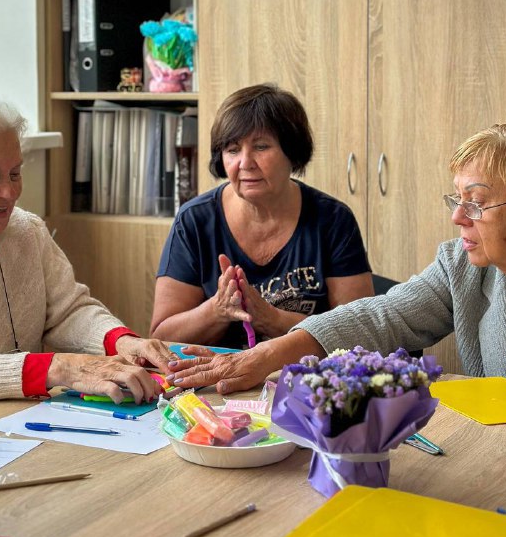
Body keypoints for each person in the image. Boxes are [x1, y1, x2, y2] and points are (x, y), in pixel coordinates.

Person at [166, 121, 506, 393]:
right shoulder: (459, 266)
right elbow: (381, 318)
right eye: (456, 200)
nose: (457, 217)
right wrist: (264, 356)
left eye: (475, 203)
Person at [0, 93, 177, 430]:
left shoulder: (26, 231)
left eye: (14, 173)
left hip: (15, 421)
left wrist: (121, 341)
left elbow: (68, 311)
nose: (10, 192)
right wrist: (55, 368)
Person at [150, 83, 373, 349]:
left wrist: (271, 318)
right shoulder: (195, 222)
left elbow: (360, 334)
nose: (245, 163)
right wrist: (218, 309)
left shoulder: (333, 220)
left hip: (304, 381)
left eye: (261, 146)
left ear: (293, 153)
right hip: (214, 382)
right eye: (232, 150)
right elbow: (161, 337)